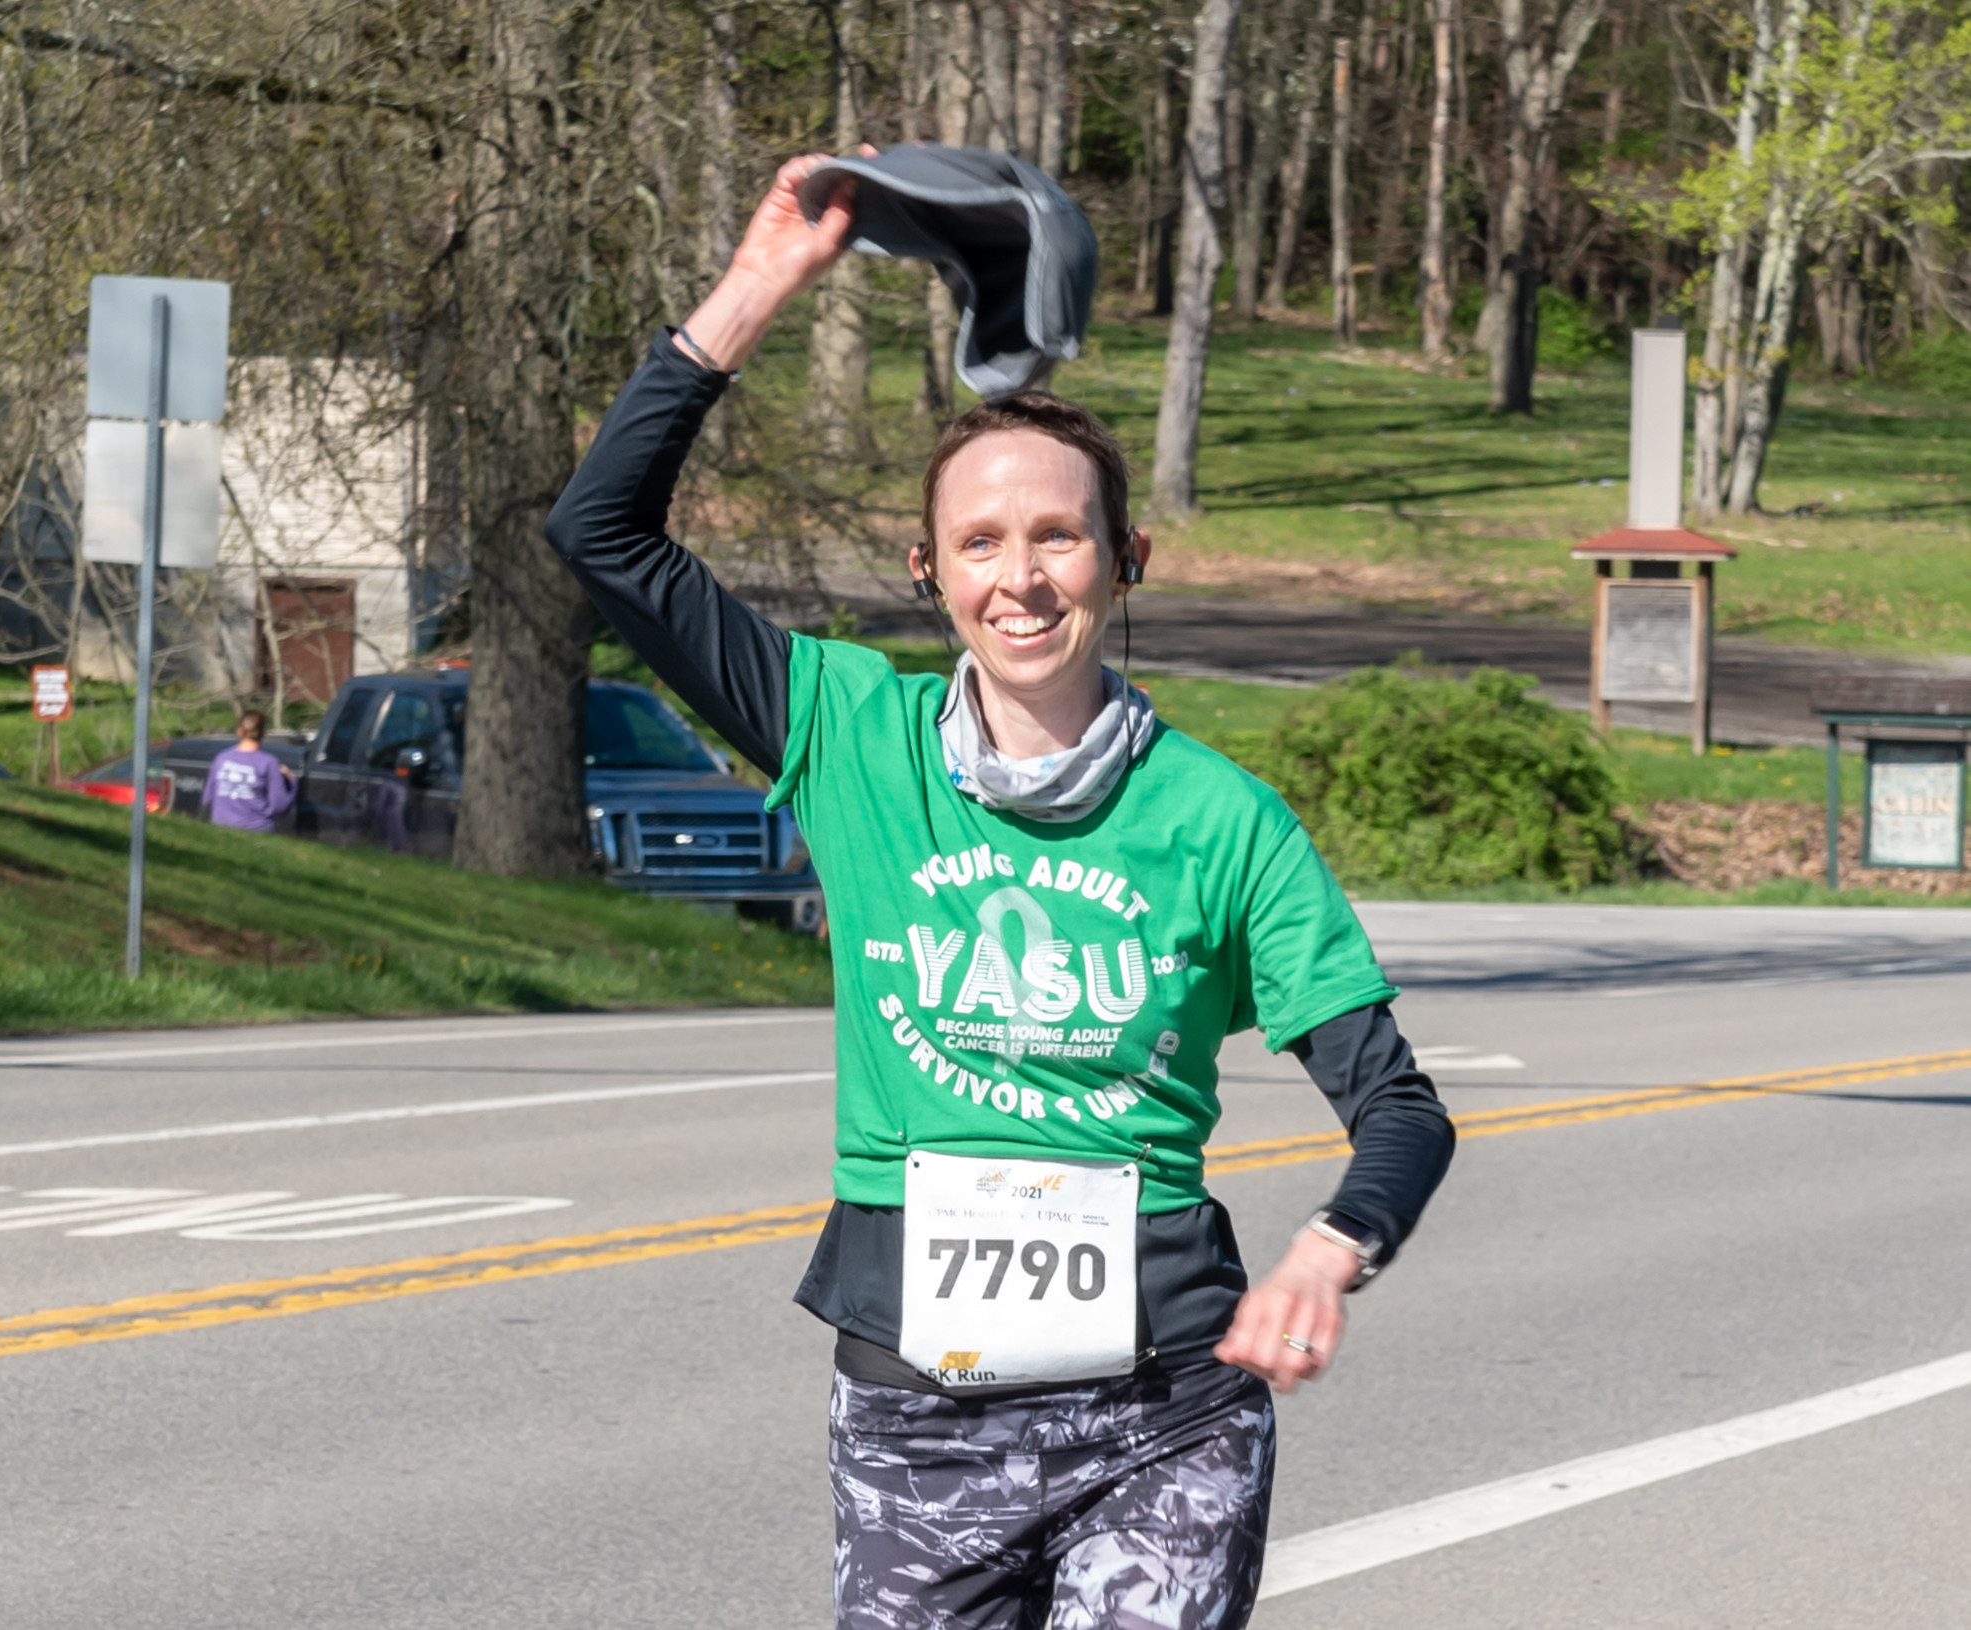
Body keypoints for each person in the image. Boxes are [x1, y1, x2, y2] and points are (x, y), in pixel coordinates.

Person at [545, 155, 1455, 1630]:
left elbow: (1401, 1107)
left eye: (1058, 534)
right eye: (980, 541)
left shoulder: (1223, 820)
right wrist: (763, 278)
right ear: (929, 570)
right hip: (918, 1415)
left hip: (1165, 1408)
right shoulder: (846, 731)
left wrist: (1325, 1252)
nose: (1020, 576)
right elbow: (600, 533)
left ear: (1124, 557)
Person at [201, 710, 297, 833]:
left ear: (239, 731)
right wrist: (292, 782)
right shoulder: (268, 762)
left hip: (221, 831)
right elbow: (280, 807)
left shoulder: (221, 758)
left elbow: (207, 799)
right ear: (263, 733)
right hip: (256, 832)